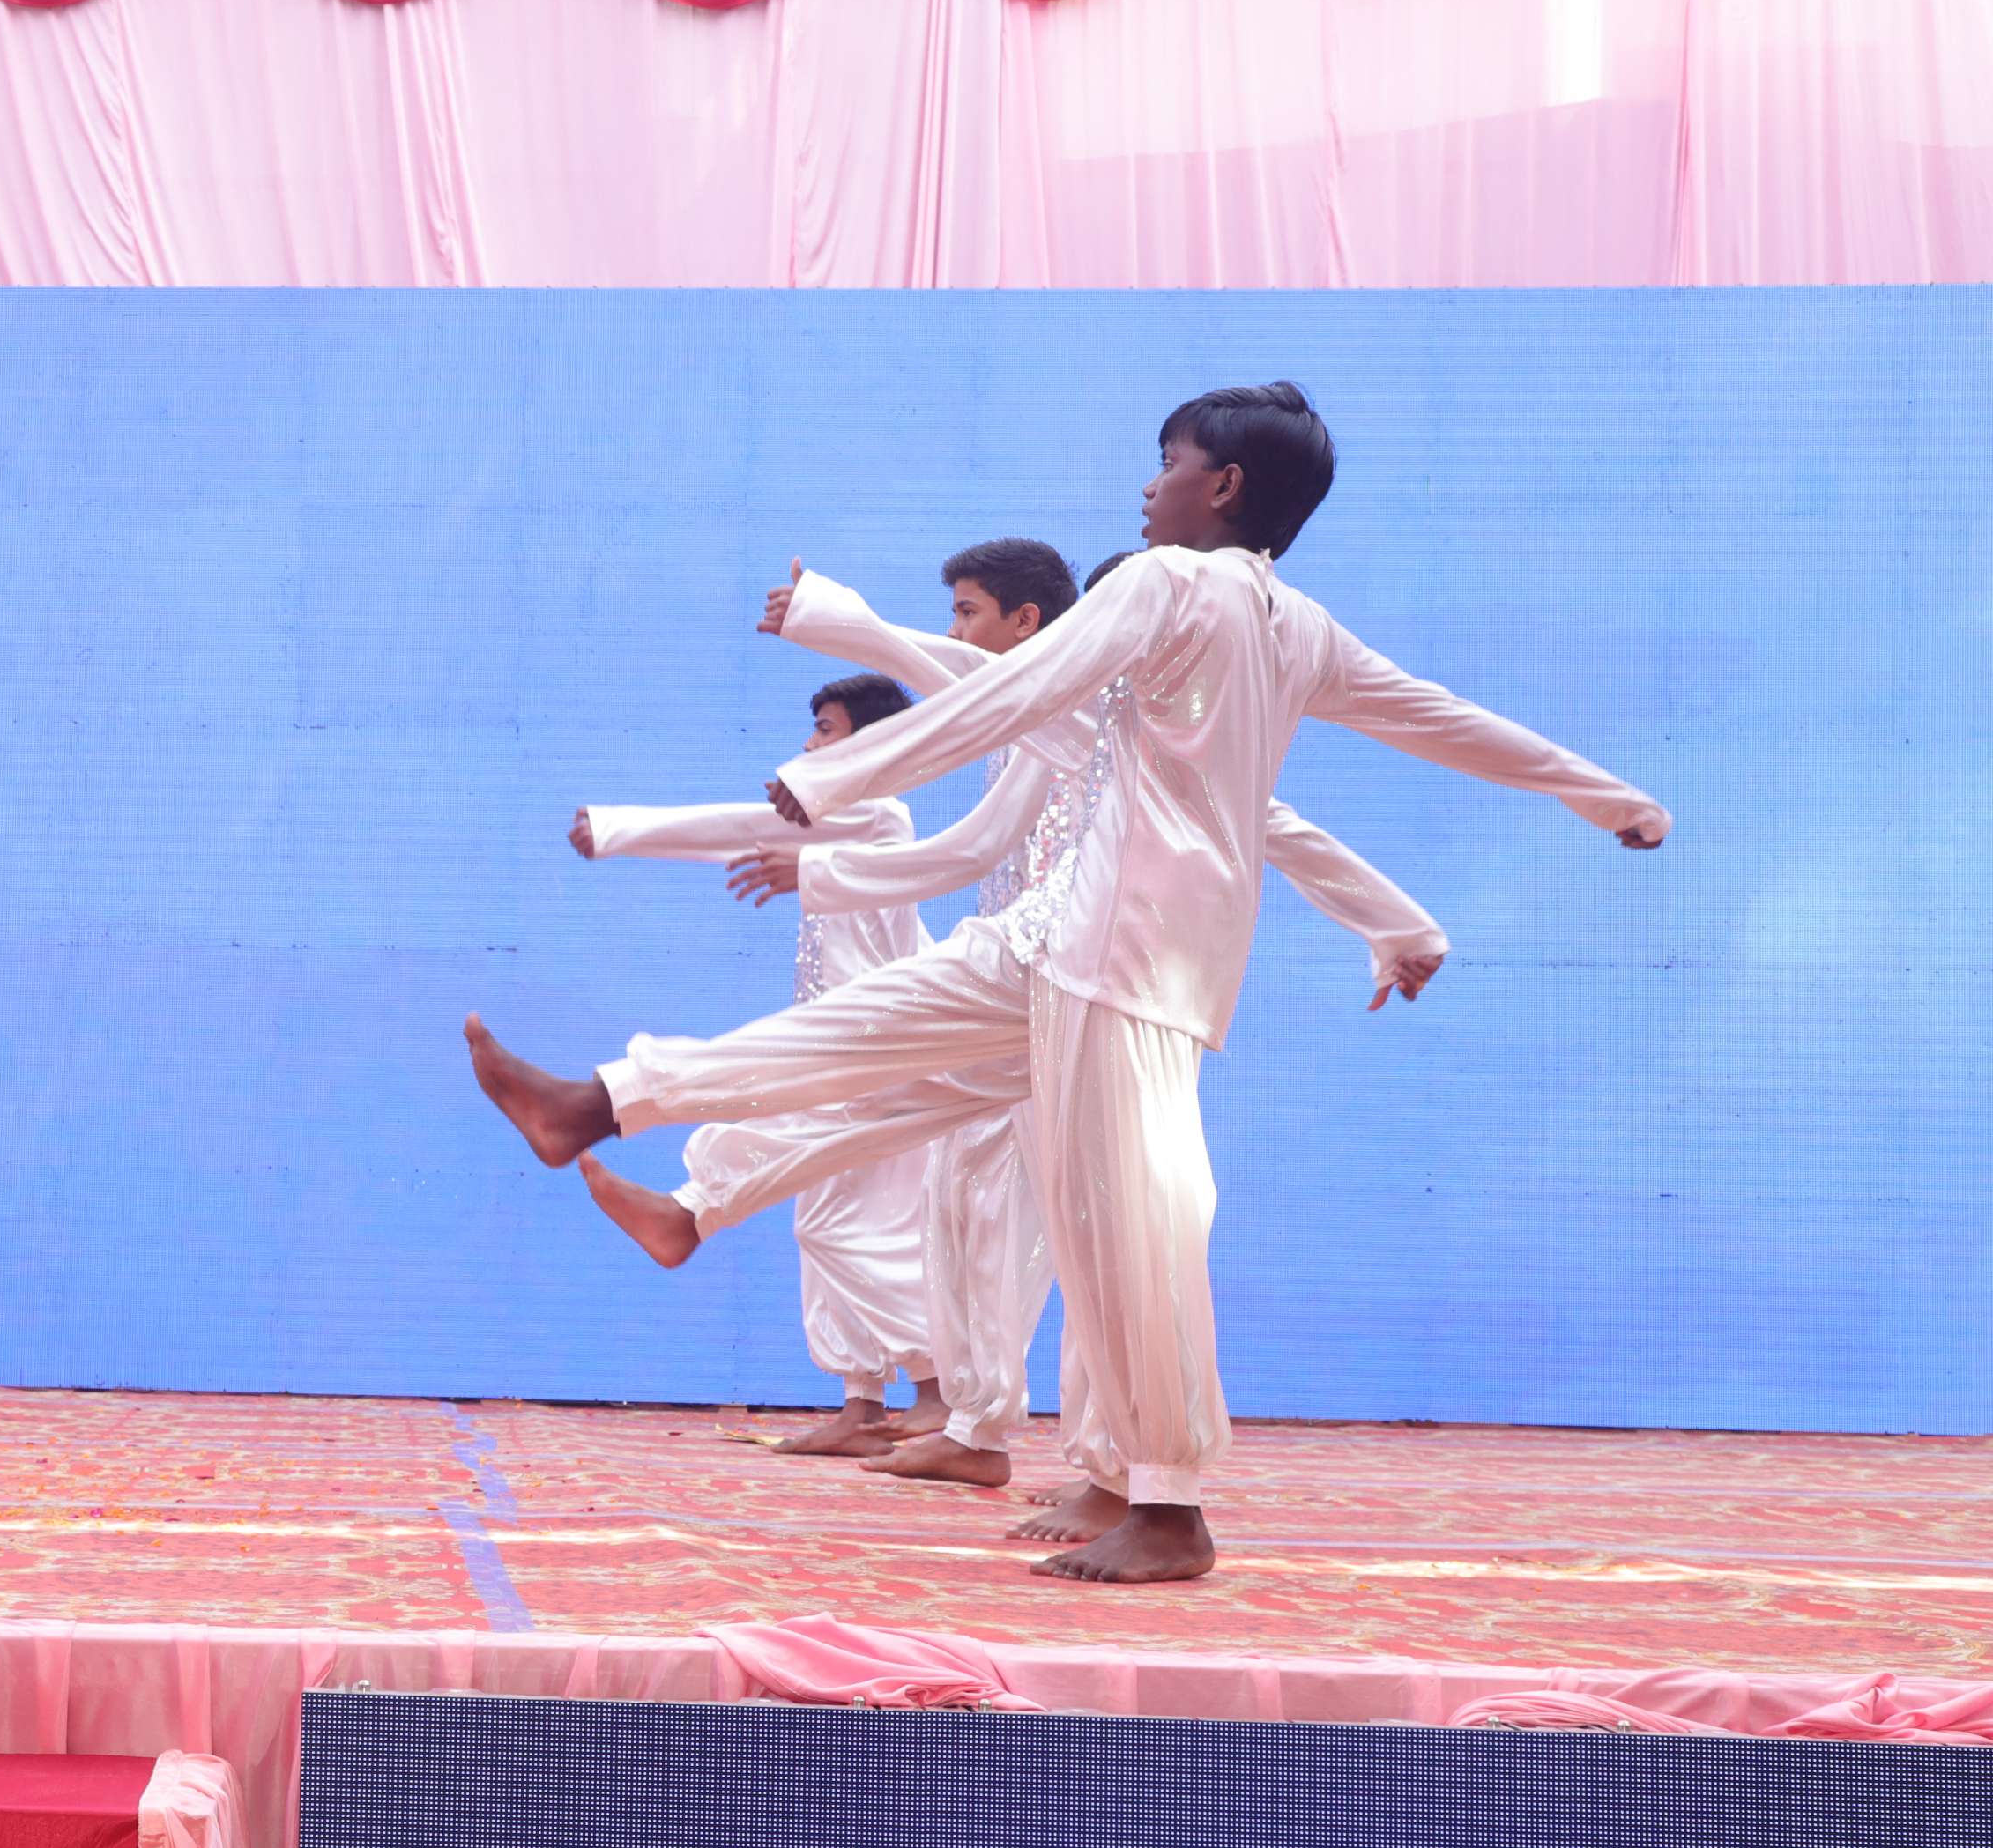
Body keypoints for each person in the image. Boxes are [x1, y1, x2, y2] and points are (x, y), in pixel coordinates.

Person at [468, 384, 1669, 1585]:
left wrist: (839, 776)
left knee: (1133, 1215)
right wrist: (1602, 797)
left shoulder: (1167, 585)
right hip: (1070, 936)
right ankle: (600, 1101)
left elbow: (1014, 689)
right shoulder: (1293, 626)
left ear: (1223, 486)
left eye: (1167, 461)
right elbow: (1439, 719)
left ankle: (1168, 1504)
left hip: (1124, 951)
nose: (1147, 485)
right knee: (864, 1032)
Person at [636, 544, 1451, 1496]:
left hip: (1099, 999)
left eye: (969, 610)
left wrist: (834, 617)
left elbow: (1278, 826)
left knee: (1097, 1222)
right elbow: (968, 818)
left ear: (1043, 625)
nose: (955, 631)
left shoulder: (1141, 730)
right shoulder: (1047, 719)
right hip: (1019, 987)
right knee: (963, 1200)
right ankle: (975, 1421)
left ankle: (1113, 1469)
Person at [572, 674, 940, 1455]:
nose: (809, 744)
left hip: (871, 1050)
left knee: (834, 1223)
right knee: (825, 1221)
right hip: (843, 1047)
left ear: (871, 742)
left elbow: (738, 826)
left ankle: (939, 1383)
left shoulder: (875, 809)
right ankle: (864, 1403)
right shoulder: (850, 819)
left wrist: (618, 829)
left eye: (827, 729)